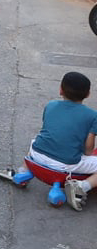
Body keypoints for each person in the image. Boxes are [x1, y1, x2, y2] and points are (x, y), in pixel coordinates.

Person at [28, 72, 97, 210]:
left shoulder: (51, 104)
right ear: (88, 94)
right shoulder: (92, 115)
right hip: (64, 166)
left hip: (35, 156)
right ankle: (81, 187)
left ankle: (23, 170)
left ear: (60, 90)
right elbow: (88, 149)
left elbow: (49, 129)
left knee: (38, 139)